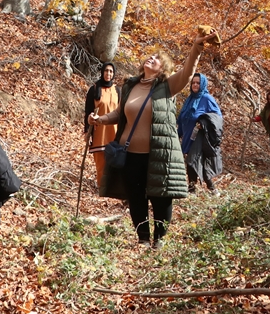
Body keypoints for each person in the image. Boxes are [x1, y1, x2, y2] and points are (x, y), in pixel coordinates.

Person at [89, 29, 221, 246]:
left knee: (161, 197)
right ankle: (142, 238)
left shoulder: (166, 87)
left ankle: (159, 239)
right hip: (130, 153)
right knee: (136, 196)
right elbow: (120, 113)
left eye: (158, 59)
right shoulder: (130, 85)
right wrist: (100, 119)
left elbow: (188, 73)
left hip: (158, 153)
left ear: (163, 69)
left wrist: (197, 47)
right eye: (151, 56)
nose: (152, 58)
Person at [177, 73, 223, 193]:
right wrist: (179, 133)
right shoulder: (190, 99)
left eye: (198, 83)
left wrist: (204, 123)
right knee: (192, 160)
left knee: (192, 160)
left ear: (202, 84)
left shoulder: (207, 99)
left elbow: (217, 117)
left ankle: (194, 189)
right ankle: (210, 189)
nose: (195, 85)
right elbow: (183, 118)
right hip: (188, 135)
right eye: (193, 83)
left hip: (199, 136)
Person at [83, 62, 118, 189]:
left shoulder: (117, 90)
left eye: (111, 71)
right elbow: (88, 112)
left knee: (114, 160)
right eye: (106, 71)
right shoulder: (94, 89)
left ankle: (112, 186)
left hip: (114, 132)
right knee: (101, 162)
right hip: (99, 132)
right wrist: (87, 131)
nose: (108, 74)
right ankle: (102, 187)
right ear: (102, 72)